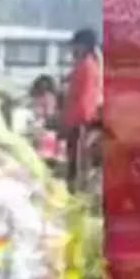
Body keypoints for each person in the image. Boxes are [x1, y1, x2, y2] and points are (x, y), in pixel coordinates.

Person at [63, 28, 102, 191]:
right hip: (77, 120)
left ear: (84, 46)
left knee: (77, 164)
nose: (73, 50)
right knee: (73, 162)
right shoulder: (84, 65)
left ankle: (75, 193)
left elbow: (85, 99)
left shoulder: (87, 66)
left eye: (76, 46)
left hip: (80, 121)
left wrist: (76, 122)